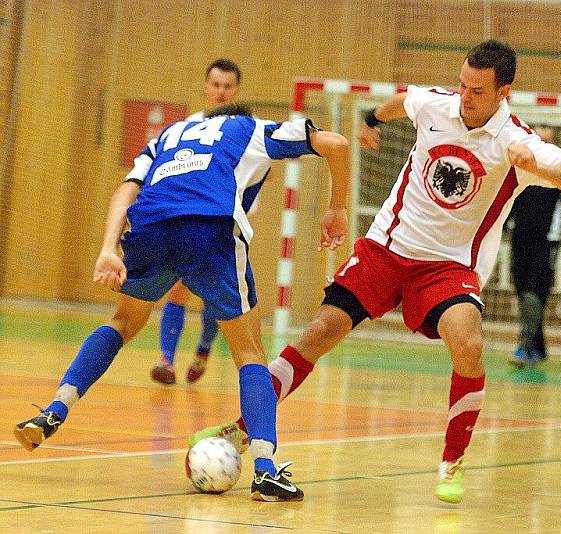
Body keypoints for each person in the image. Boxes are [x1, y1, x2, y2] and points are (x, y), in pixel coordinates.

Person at [190, 40, 561, 504]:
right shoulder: (436, 104)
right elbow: (404, 100)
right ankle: (245, 429)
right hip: (387, 246)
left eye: (477, 90)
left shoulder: (516, 141)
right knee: (319, 331)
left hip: (448, 265)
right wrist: (372, 120)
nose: (464, 96)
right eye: (462, 84)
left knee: (469, 342)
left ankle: (452, 461)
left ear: (504, 92)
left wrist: (536, 164)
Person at [13, 103, 352, 502]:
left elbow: (127, 189)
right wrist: (337, 208)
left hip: (150, 225)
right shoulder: (250, 128)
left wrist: (108, 248)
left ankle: (53, 411)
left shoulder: (170, 135)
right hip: (209, 226)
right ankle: (265, 470)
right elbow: (338, 143)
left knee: (121, 325)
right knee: (249, 352)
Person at [152, 58, 244, 385]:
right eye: (216, 85)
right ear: (206, 87)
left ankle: (204, 348)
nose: (221, 91)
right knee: (178, 287)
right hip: (192, 219)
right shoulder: (188, 126)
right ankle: (166, 360)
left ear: (236, 90)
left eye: (227, 86)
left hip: (228, 223)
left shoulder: (245, 126)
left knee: (213, 295)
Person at [508, 124, 561, 367]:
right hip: (519, 238)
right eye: (539, 139)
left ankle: (525, 348)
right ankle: (538, 348)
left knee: (533, 294)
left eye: (547, 140)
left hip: (547, 241)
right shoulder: (520, 167)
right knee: (523, 293)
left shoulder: (559, 171)